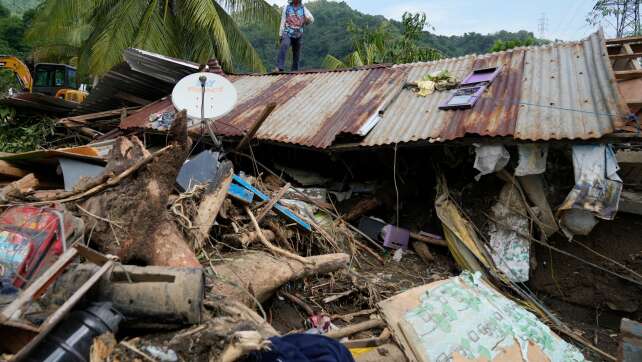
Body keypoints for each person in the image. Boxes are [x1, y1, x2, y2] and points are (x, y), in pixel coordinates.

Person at [276, 0, 314, 72]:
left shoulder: (303, 9)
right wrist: (280, 34)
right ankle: (279, 67)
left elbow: (311, 19)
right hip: (287, 32)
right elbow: (283, 21)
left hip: (298, 33)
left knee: (296, 52)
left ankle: (294, 70)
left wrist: (306, 21)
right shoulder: (286, 7)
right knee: (284, 45)